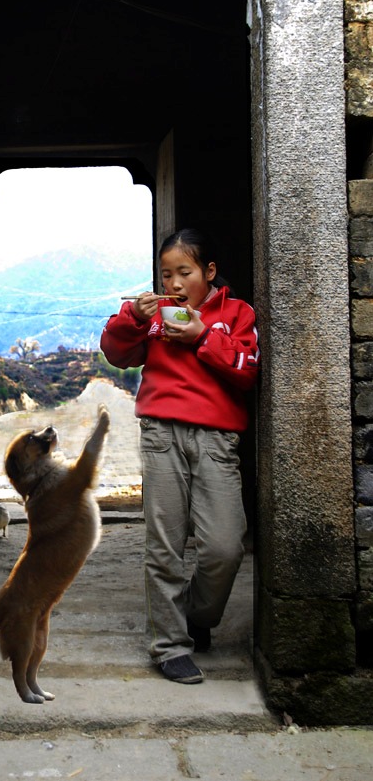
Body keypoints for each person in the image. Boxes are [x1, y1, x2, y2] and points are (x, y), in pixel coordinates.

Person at [100, 227, 259, 684]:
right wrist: (131, 316)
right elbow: (117, 353)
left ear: (208, 272)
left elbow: (248, 371)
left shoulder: (236, 313)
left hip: (217, 440)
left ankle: (197, 617)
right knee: (164, 544)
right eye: (166, 274)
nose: (173, 283)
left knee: (225, 546)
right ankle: (169, 645)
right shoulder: (155, 317)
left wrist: (203, 336)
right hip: (161, 435)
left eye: (183, 273)